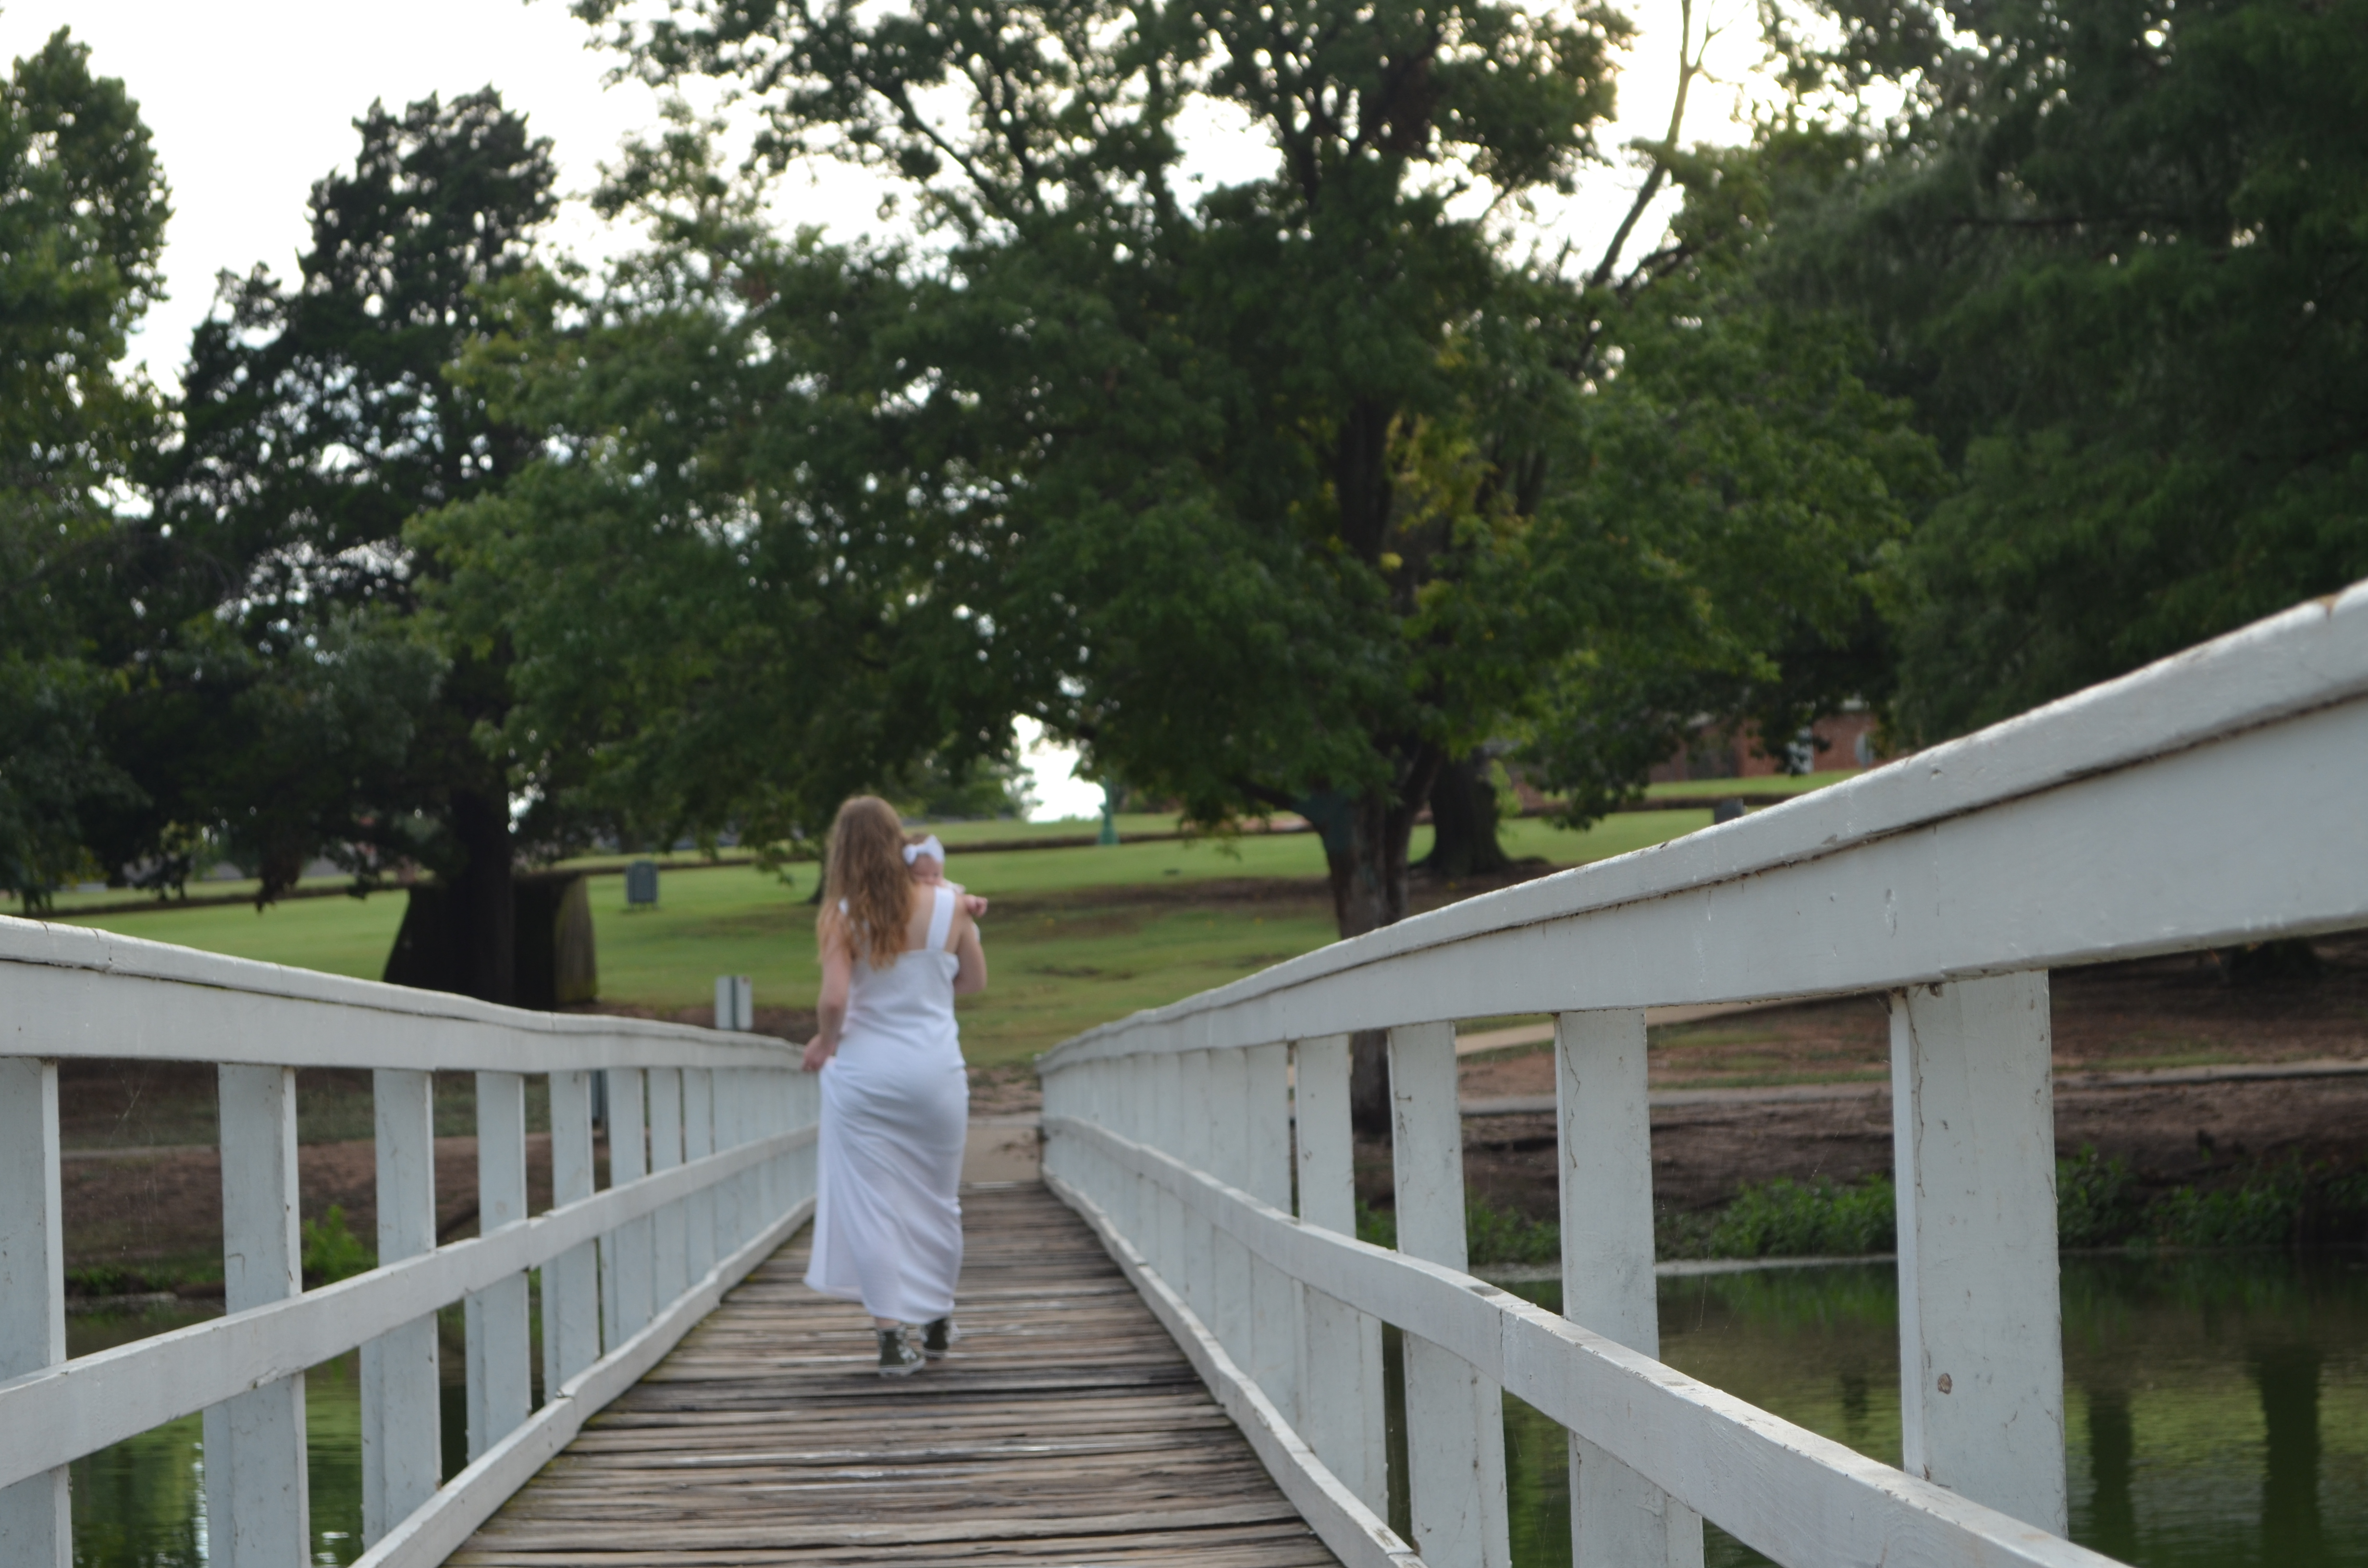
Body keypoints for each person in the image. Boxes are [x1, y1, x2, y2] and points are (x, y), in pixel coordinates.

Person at [802, 797, 988, 1375]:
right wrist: (924, 992)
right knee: (938, 1198)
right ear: (897, 841)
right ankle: (937, 1322)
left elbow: (835, 999)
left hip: (867, 1076)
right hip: (936, 1072)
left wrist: (824, 1043)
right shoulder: (951, 904)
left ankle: (891, 1339)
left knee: (874, 1204)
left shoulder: (841, 916)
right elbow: (974, 981)